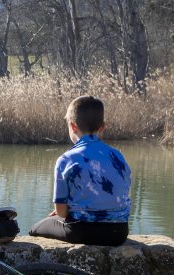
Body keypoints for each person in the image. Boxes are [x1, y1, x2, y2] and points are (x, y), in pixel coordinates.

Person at [29, 95, 131, 247]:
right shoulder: (118, 156)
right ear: (102, 126)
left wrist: (65, 210)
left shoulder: (66, 159)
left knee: (35, 228)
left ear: (73, 126)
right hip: (119, 232)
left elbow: (62, 213)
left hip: (82, 230)